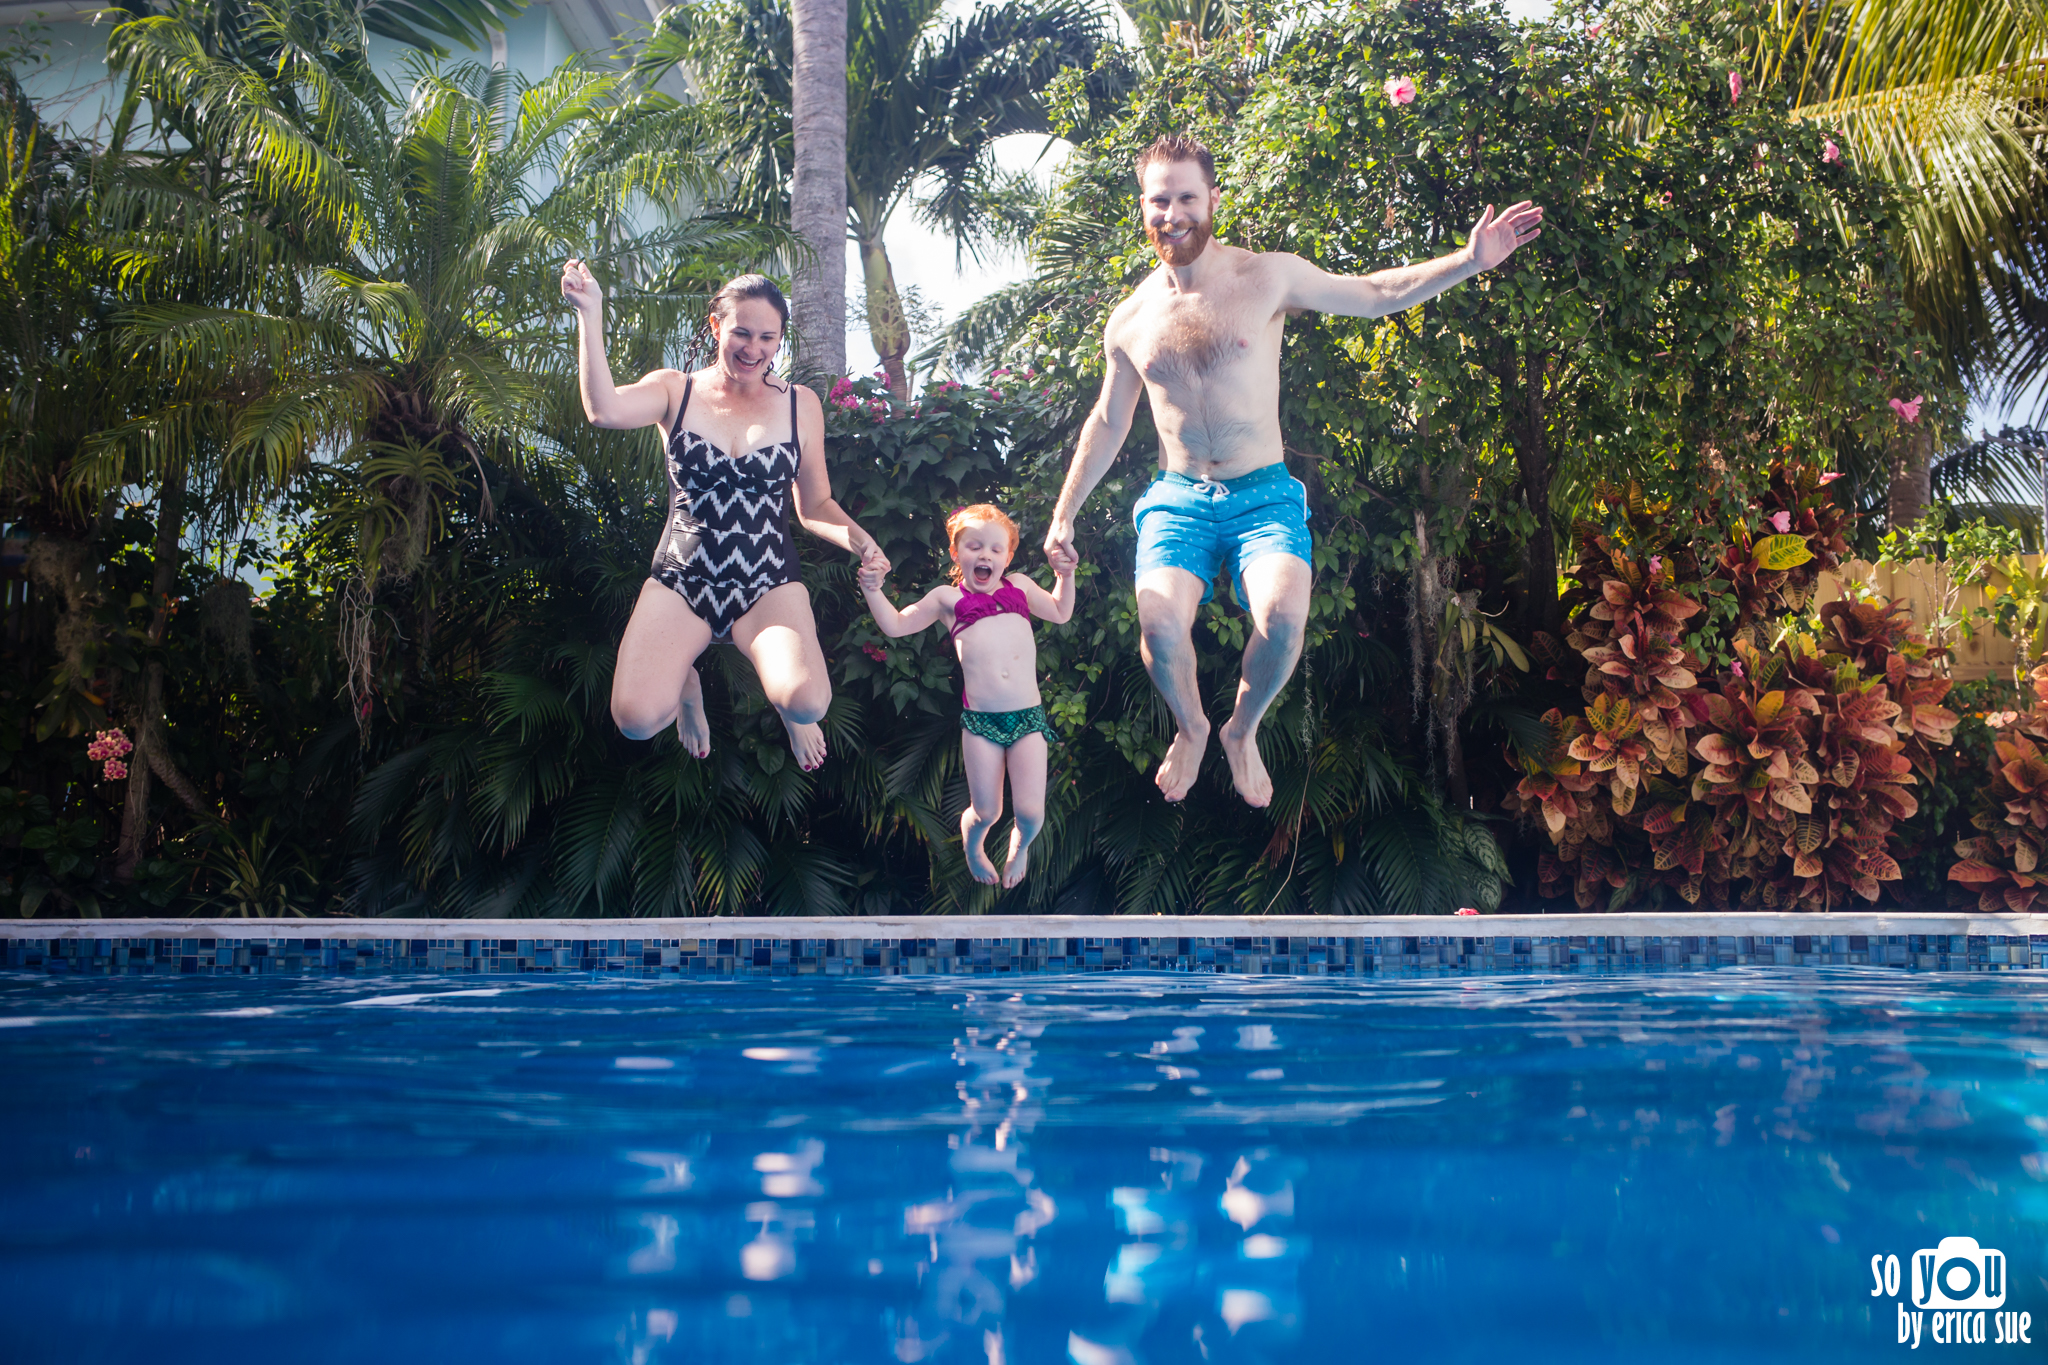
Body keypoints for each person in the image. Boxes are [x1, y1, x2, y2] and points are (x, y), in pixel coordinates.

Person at [1042, 134, 1544, 807]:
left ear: (1212, 199)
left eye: (1187, 196)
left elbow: (1370, 294)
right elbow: (1108, 421)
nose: (1173, 213)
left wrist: (1468, 261)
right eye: (1159, 200)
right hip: (1179, 499)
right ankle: (1192, 726)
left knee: (1283, 617)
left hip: (1262, 494)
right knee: (1159, 625)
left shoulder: (1266, 276)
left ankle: (1240, 731)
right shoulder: (1129, 319)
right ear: (1144, 206)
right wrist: (1064, 510)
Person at [563, 265, 889, 770]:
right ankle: (686, 684)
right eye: (741, 332)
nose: (753, 349)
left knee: (808, 703)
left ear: (779, 340)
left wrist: (862, 542)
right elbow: (603, 410)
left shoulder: (801, 405)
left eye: (767, 337)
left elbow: (815, 505)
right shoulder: (676, 390)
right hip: (683, 580)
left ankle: (788, 710)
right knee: (636, 720)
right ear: (716, 326)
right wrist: (590, 314)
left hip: (766, 581)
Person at [858, 505, 1077, 887]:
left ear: (1008, 557)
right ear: (956, 553)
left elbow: (1060, 610)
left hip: (1028, 718)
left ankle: (1020, 846)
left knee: (1030, 814)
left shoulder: (1021, 587)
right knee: (986, 810)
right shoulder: (947, 598)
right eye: (974, 547)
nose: (985, 556)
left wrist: (1065, 574)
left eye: (996, 550)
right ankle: (974, 846)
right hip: (980, 723)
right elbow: (895, 626)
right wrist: (873, 589)